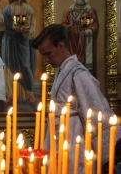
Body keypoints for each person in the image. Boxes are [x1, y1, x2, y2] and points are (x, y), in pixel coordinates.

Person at [32, 23, 121, 174]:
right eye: (43, 55)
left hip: (75, 147)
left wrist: (109, 155)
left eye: (48, 53)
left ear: (61, 46)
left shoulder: (78, 74)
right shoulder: (62, 71)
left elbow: (96, 115)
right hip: (59, 144)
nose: (46, 59)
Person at [0, 0, 37, 106]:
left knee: (25, 65)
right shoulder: (8, 8)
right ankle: (10, 93)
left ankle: (29, 92)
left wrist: (27, 30)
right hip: (9, 40)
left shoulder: (28, 9)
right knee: (9, 67)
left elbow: (32, 24)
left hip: (22, 40)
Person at [61, 0, 99, 75]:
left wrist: (85, 32)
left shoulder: (90, 10)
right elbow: (63, 25)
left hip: (85, 46)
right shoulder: (68, 10)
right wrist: (70, 25)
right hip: (72, 42)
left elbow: (95, 25)